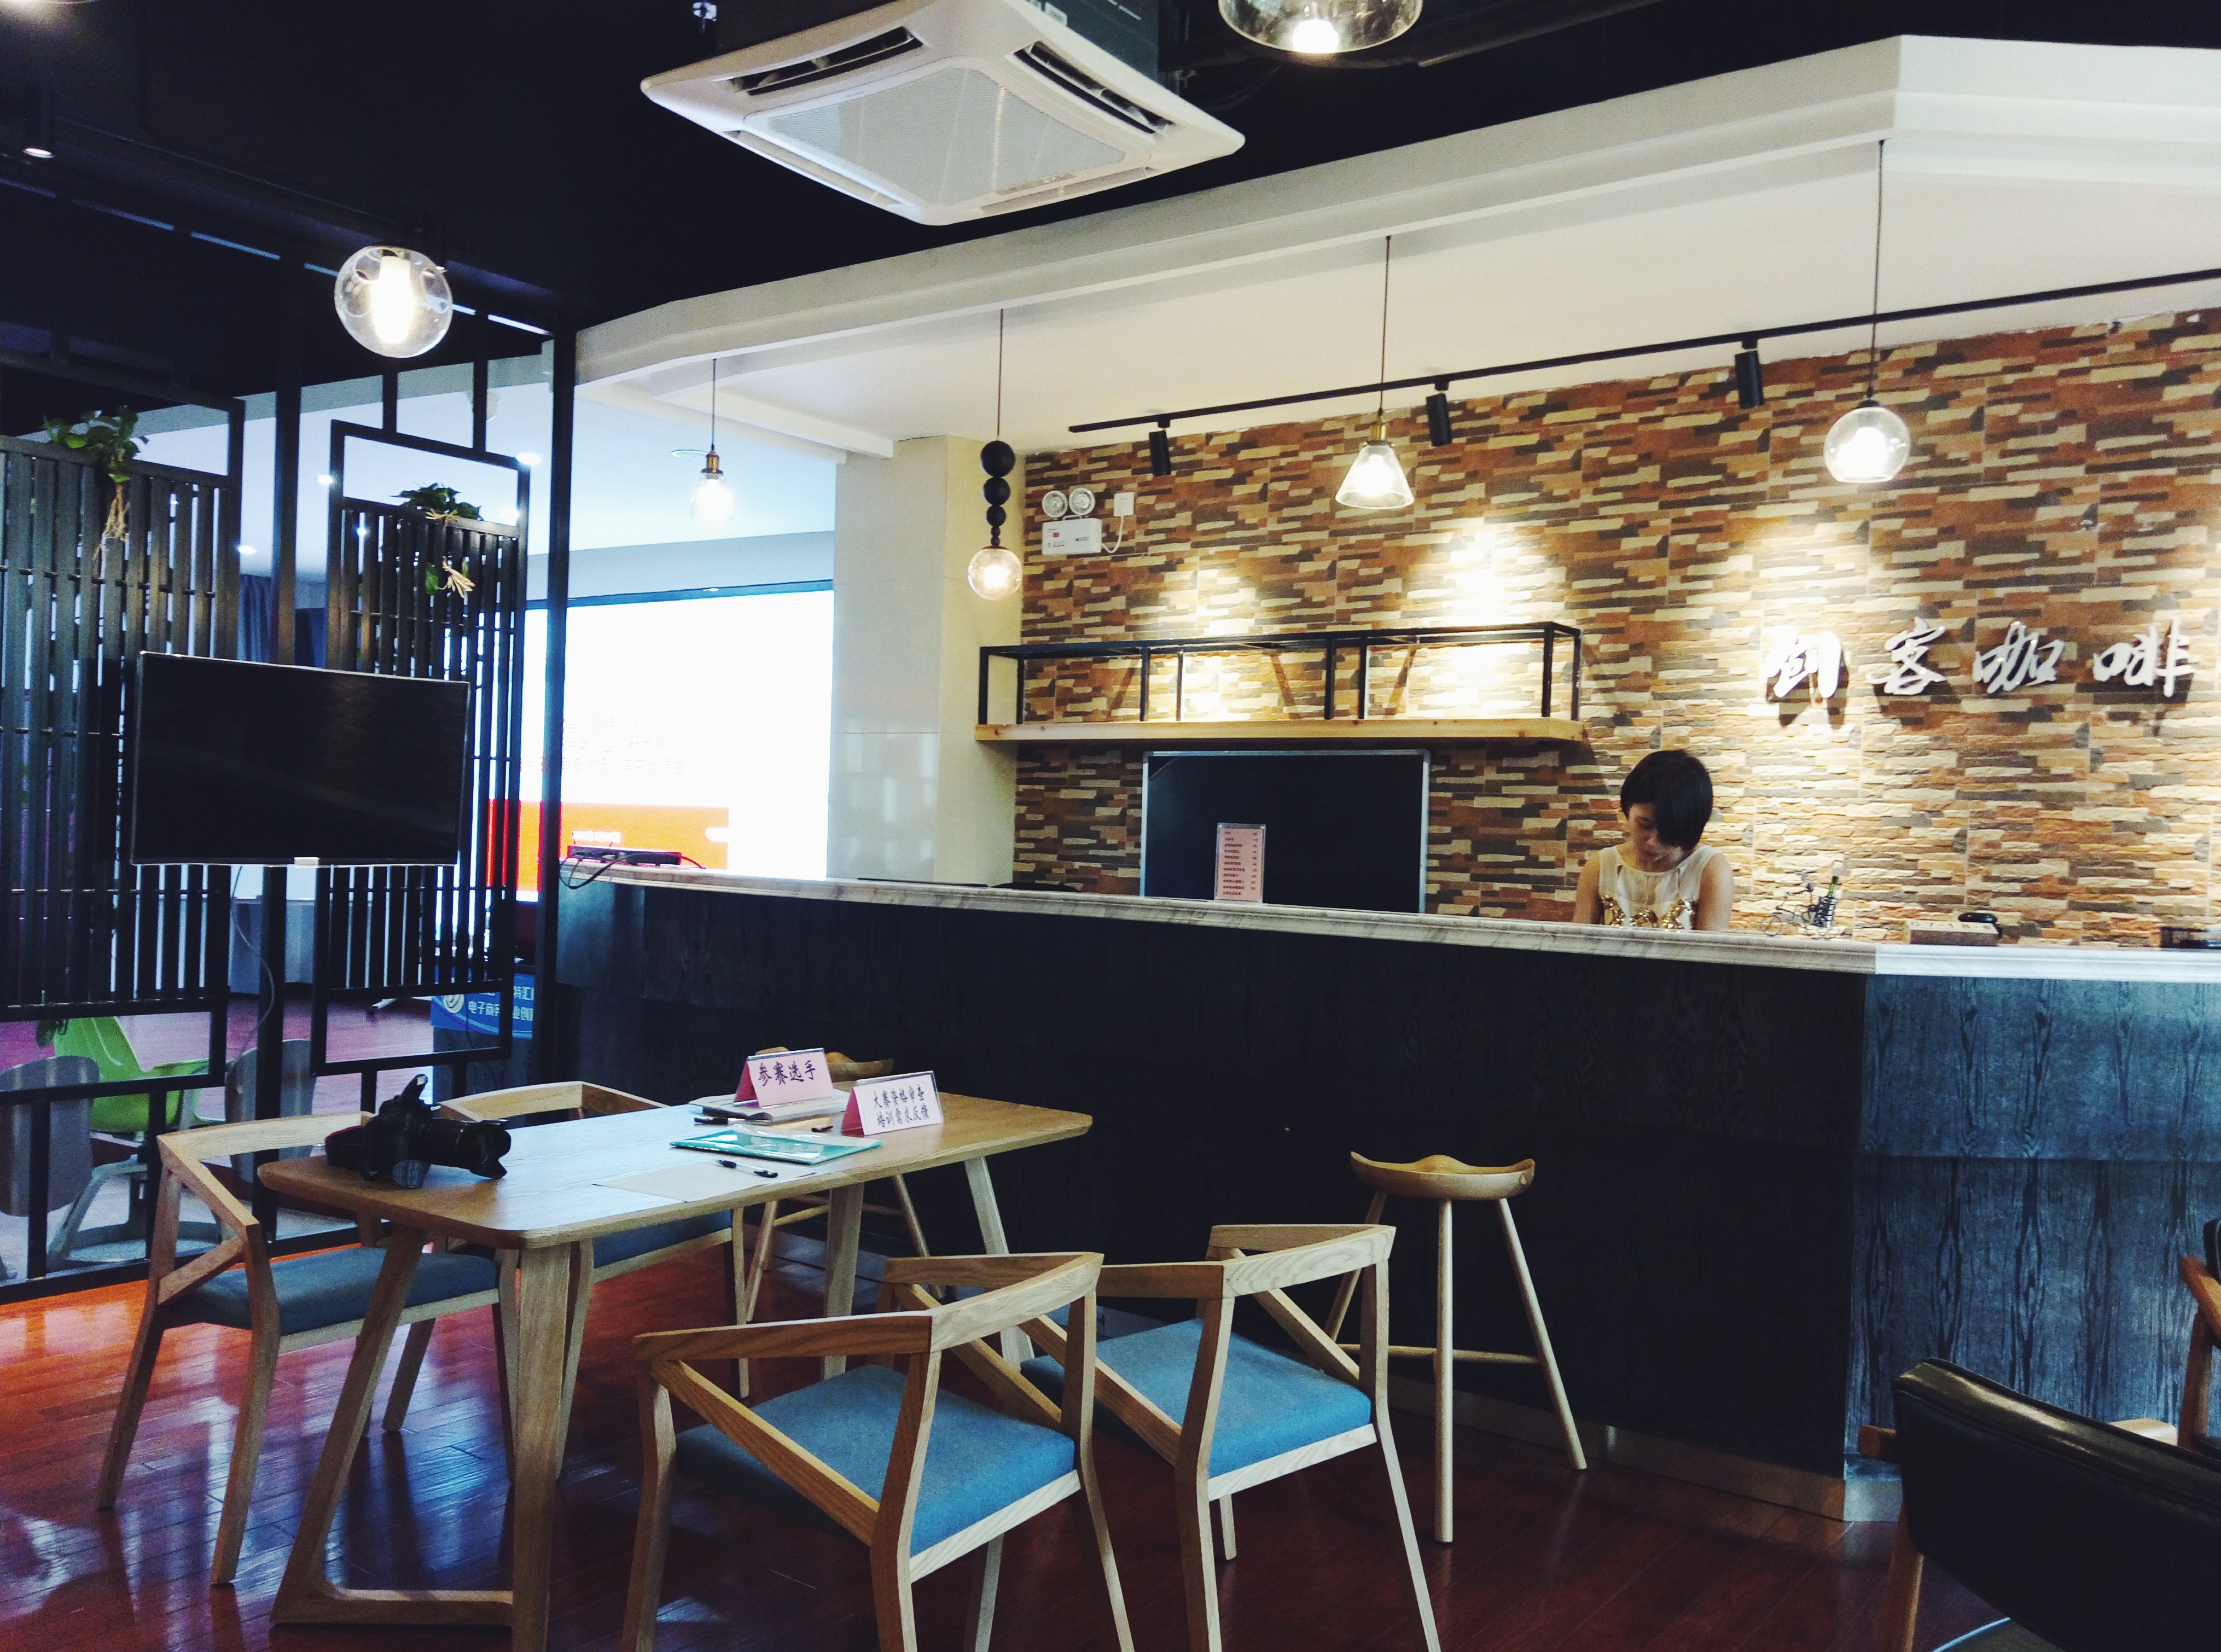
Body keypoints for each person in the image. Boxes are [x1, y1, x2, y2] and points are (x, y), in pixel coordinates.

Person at [1571, 749, 1734, 930]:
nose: (1652, 841)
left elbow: (1710, 948)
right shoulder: (1601, 867)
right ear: (1627, 808)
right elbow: (1578, 943)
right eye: (1644, 824)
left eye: (1668, 832)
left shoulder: (1710, 870)